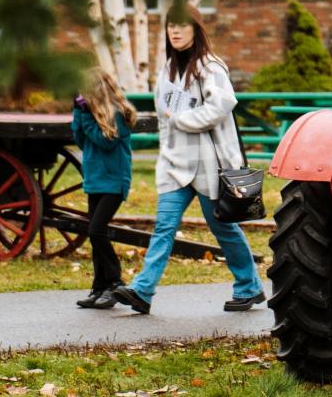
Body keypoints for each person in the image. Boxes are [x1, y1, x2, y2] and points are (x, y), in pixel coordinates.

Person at [111, 18, 264, 316]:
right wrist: (166, 151)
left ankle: (249, 286)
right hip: (175, 166)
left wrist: (182, 119)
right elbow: (163, 116)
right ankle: (142, 291)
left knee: (223, 228)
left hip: (208, 165)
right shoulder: (167, 69)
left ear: (196, 29)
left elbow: (222, 105)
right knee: (164, 227)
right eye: (171, 27)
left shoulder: (211, 66)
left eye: (181, 26)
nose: (175, 31)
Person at [70, 66, 136, 309]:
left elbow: (104, 142)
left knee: (96, 231)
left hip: (114, 181)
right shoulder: (88, 114)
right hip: (95, 180)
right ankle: (99, 287)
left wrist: (86, 117)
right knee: (94, 232)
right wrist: (78, 114)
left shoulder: (116, 114)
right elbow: (79, 139)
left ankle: (115, 283)